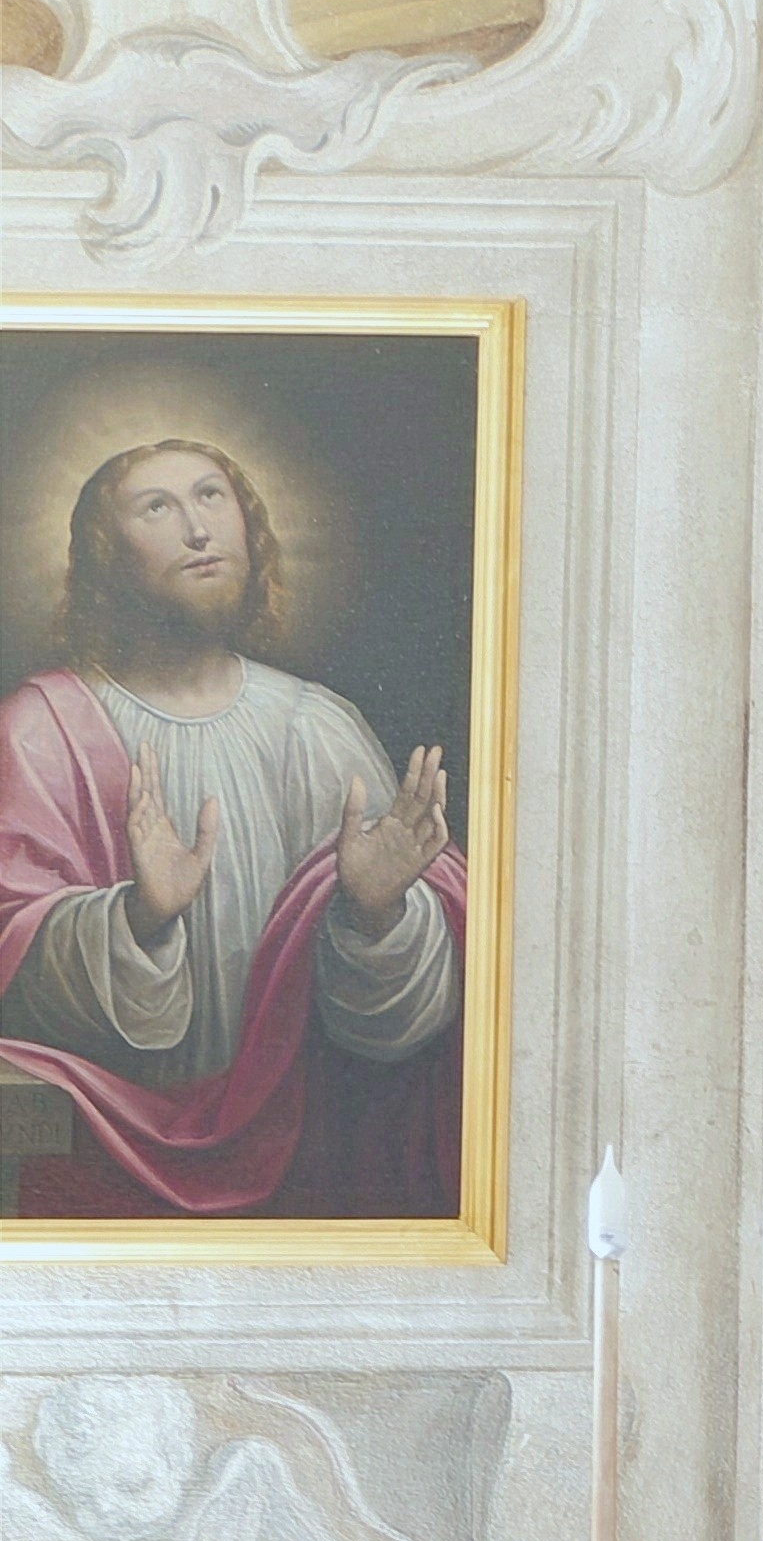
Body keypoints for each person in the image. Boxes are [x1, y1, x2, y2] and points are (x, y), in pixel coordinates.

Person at [0, 436, 466, 1218]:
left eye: (212, 496)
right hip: (105, 1143)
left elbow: (398, 1029)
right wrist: (139, 918)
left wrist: (378, 912)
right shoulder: (37, 733)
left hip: (303, 1155)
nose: (198, 530)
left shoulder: (315, 728)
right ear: (106, 558)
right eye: (159, 507)